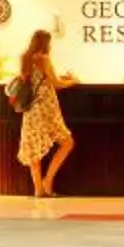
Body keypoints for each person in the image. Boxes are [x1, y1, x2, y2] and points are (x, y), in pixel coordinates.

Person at [13, 29, 77, 198]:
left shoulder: (25, 59)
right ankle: (48, 180)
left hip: (30, 109)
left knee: (34, 147)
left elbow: (31, 79)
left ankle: (38, 189)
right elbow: (56, 84)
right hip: (46, 107)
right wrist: (73, 81)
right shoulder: (44, 59)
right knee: (67, 143)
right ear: (45, 43)